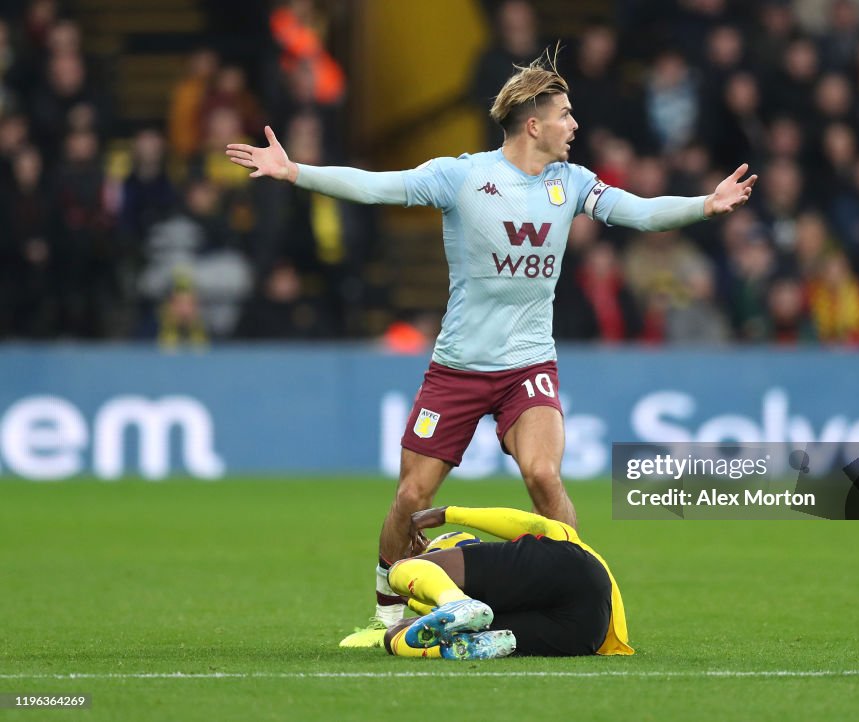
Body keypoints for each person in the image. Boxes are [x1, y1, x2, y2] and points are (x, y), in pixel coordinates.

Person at [225, 47, 757, 647]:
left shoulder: (571, 182)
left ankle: (585, 600)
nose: (575, 125)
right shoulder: (463, 177)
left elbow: (636, 211)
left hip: (528, 364)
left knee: (543, 475)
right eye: (566, 114)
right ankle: (388, 617)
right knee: (412, 497)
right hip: (457, 368)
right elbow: (377, 188)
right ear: (535, 124)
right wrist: (297, 172)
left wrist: (703, 205)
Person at [382, 504, 632, 660]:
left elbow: (532, 525)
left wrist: (415, 597)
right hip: (589, 634)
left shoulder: (473, 581)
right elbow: (535, 524)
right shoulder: (496, 593)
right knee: (396, 635)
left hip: (573, 585)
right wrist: (448, 513)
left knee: (398, 570)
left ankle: (455, 607)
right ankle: (463, 647)